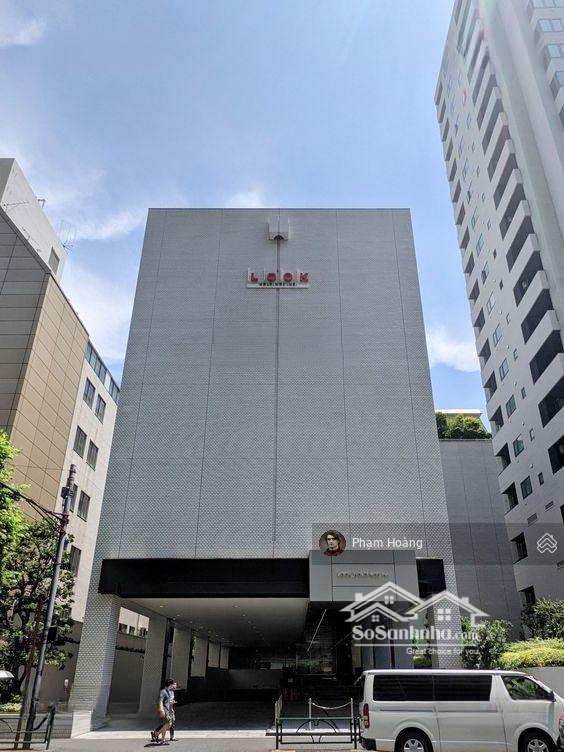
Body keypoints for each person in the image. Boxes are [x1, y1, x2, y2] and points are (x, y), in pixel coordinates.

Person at [151, 678, 176, 744]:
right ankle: (156, 734)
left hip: (167, 710)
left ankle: (162, 740)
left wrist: (171, 704)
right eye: (173, 684)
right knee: (168, 724)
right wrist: (161, 710)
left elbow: (166, 701)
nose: (173, 685)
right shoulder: (163, 691)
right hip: (164, 710)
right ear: (170, 684)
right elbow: (160, 700)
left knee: (165, 724)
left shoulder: (167, 691)